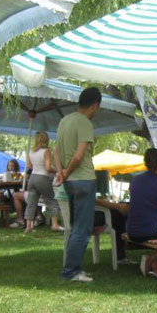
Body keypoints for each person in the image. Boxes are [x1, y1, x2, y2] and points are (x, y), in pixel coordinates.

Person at [54, 87, 101, 282]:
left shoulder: (64, 121)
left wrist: (61, 173)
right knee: (82, 228)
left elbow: (56, 151)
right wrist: (67, 171)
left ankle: (73, 268)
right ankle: (71, 271)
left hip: (70, 182)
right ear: (95, 105)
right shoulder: (85, 123)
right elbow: (79, 155)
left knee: (75, 227)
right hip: (84, 180)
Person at [126, 148, 157, 279]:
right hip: (152, 231)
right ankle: (152, 259)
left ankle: (155, 264)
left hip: (133, 231)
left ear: (145, 163)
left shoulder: (134, 181)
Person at [22, 132, 63, 233]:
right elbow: (48, 168)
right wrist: (56, 170)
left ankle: (28, 226)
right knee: (52, 200)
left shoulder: (30, 151)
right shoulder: (46, 151)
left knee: (31, 202)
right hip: (42, 177)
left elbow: (29, 165)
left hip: (32, 178)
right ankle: (55, 224)